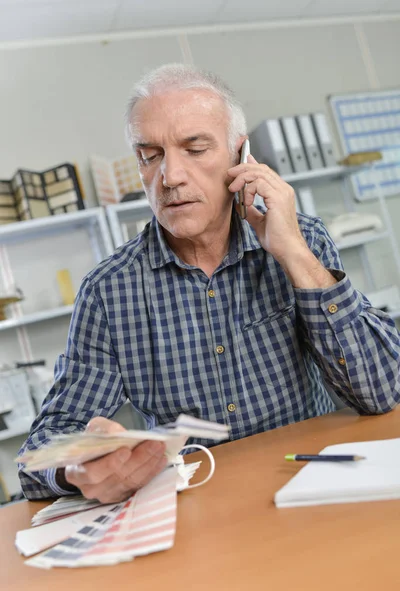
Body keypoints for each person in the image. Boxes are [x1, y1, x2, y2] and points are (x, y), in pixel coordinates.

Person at [19, 63, 400, 502]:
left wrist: (294, 254)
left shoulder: (303, 241)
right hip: (197, 512)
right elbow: (43, 450)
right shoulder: (109, 291)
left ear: (241, 158)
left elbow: (383, 391)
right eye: (150, 155)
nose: (171, 177)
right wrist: (77, 467)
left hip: (310, 487)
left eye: (195, 149)